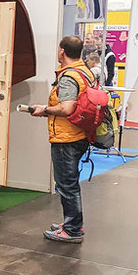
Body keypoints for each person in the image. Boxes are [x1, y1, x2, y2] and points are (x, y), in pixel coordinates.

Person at [31, 36, 91, 244]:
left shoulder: (68, 77)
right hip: (79, 134)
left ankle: (73, 229)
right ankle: (71, 223)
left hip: (66, 138)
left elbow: (66, 108)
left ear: (62, 52)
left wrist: (44, 110)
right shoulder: (85, 72)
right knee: (69, 182)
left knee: (67, 184)